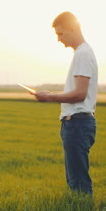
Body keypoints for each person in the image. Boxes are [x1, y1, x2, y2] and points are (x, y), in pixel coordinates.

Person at [34, 11, 98, 195]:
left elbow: (79, 94)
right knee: (75, 179)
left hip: (78, 123)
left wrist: (49, 96)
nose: (59, 39)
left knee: (78, 181)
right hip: (77, 122)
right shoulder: (82, 52)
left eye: (60, 33)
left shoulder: (83, 54)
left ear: (73, 27)